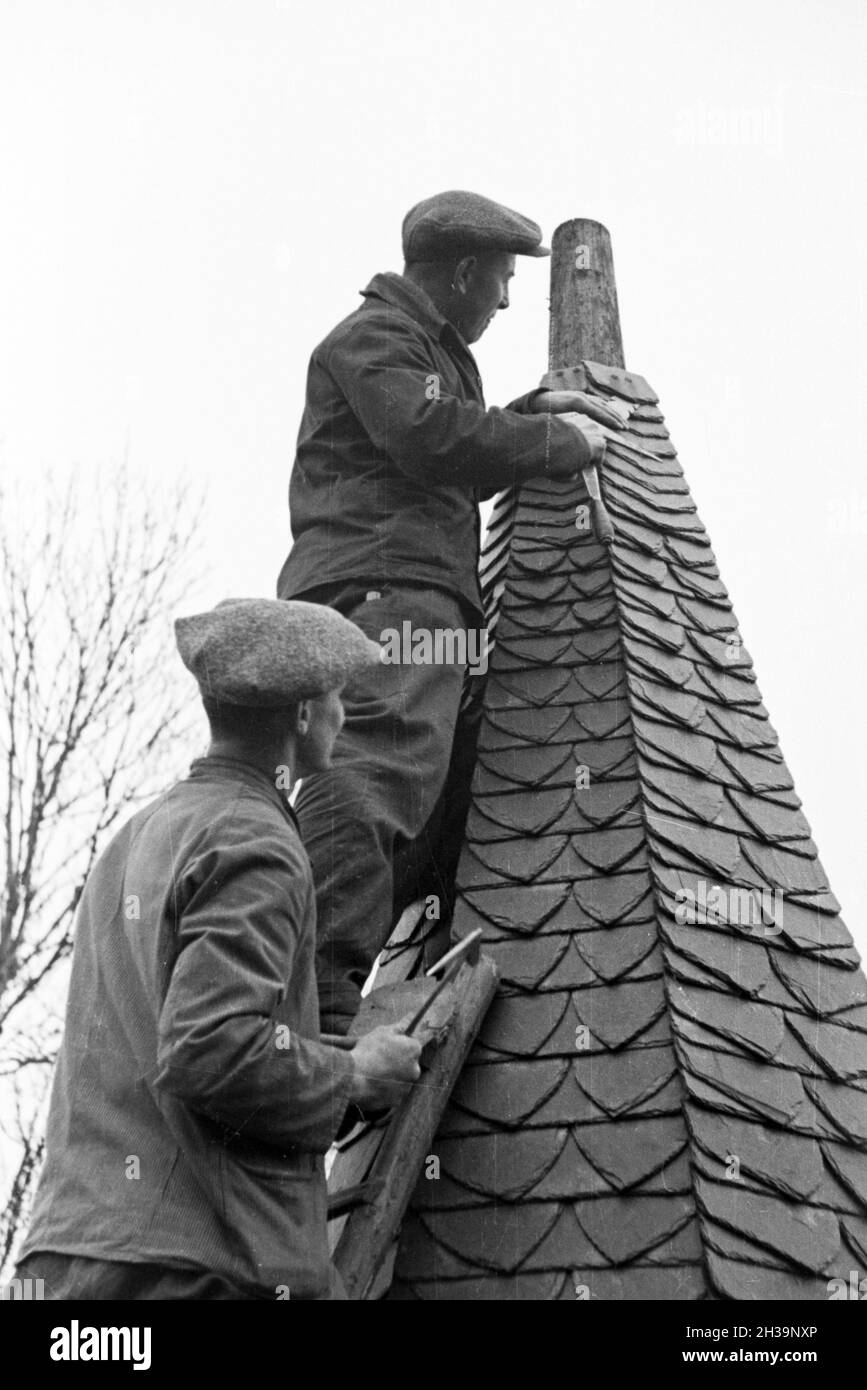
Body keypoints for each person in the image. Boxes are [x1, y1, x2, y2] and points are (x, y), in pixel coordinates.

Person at [277, 189, 625, 1035]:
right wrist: (551, 444)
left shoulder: (420, 349)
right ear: (464, 272)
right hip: (384, 595)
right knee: (374, 773)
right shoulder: (376, 339)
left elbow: (436, 453)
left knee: (411, 792)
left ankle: (325, 997)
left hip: (403, 594)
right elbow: (428, 440)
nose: (507, 301)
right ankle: (318, 1012)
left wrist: (514, 420)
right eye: (502, 279)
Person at [14, 598, 422, 1301]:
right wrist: (352, 1074)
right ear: (300, 714)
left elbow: (167, 1037)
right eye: (335, 698)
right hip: (191, 1267)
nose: (343, 716)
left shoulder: (138, 838)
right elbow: (211, 1047)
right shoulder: (254, 840)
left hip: (71, 1262)